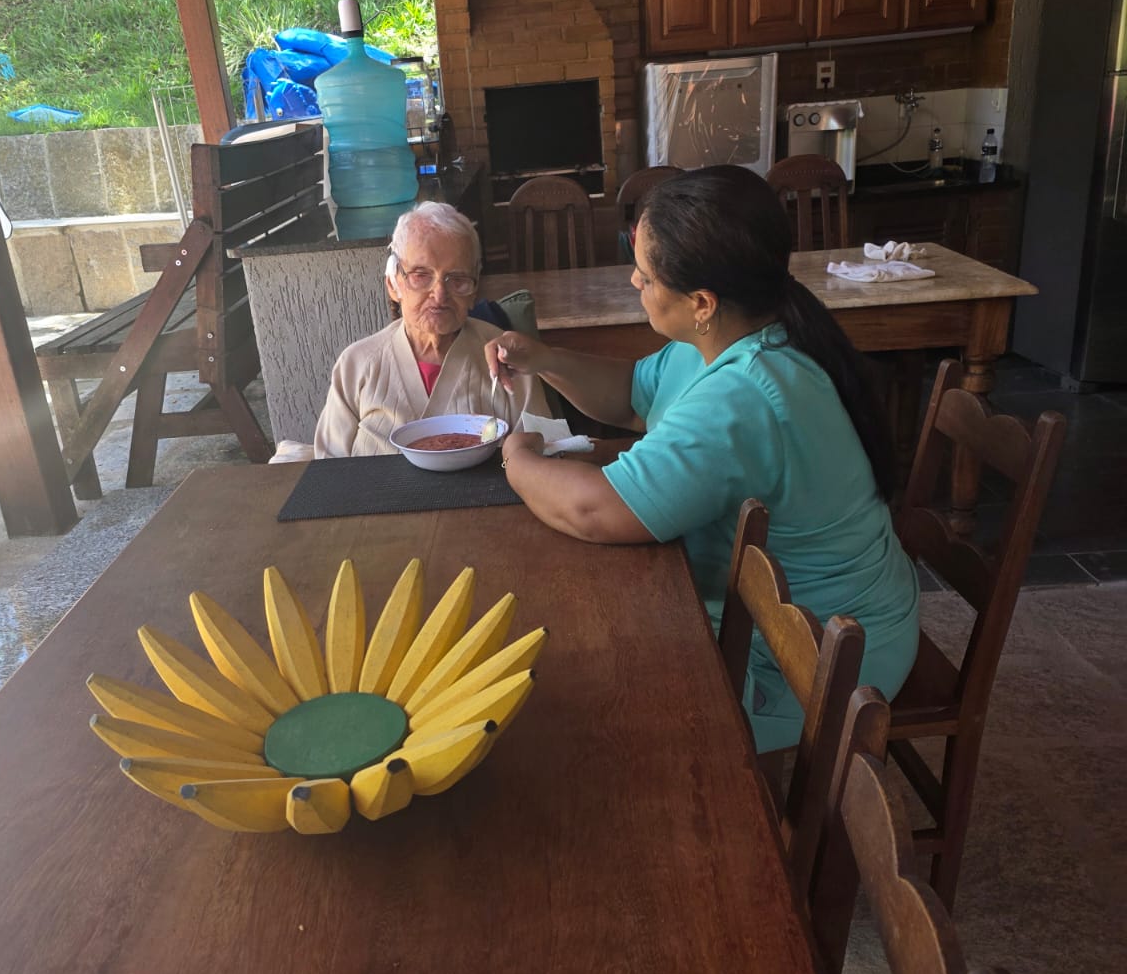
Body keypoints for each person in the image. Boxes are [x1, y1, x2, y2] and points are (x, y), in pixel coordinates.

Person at [488, 166, 919, 753]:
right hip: (813, 620)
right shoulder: (734, 331)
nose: (634, 280)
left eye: (645, 275)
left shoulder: (745, 395)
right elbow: (632, 396)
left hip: (819, 660)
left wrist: (516, 457)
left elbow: (596, 510)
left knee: (595, 713)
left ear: (701, 302)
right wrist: (544, 359)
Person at [273, 203, 547, 461]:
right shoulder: (356, 364)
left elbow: (545, 455)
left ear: (474, 289)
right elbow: (329, 468)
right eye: (420, 275)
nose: (439, 294)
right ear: (394, 285)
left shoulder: (509, 360)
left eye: (457, 279)